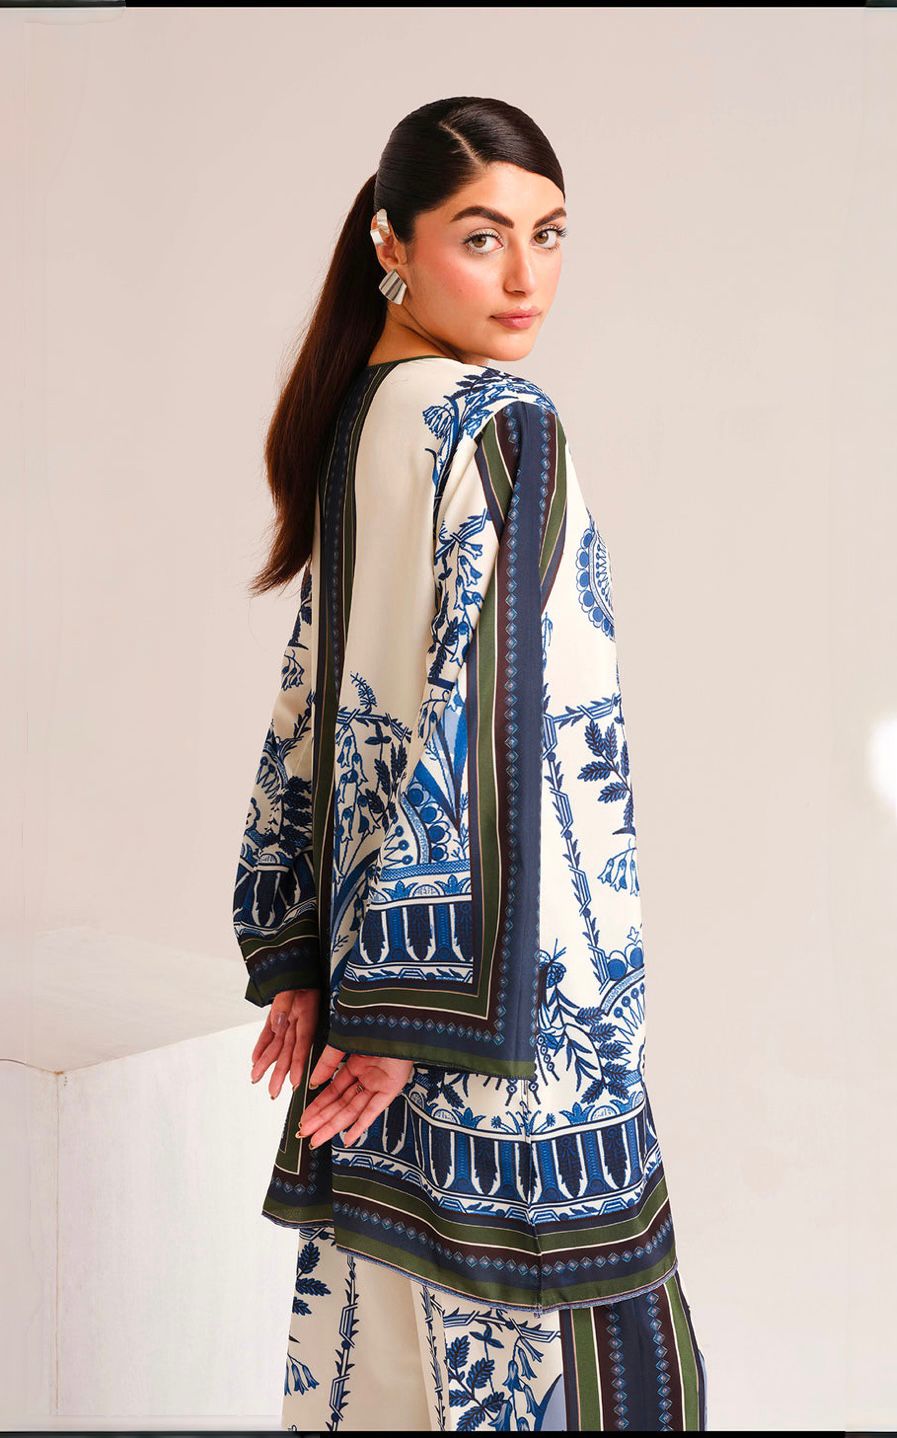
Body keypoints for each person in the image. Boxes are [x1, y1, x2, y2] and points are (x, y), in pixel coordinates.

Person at [232, 96, 708, 1432]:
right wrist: (403, 1019)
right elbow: (500, 721)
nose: (524, 277)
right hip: (513, 1025)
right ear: (391, 243)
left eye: (548, 235)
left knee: (384, 1369)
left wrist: (311, 953)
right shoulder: (503, 422)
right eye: (481, 236)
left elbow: (314, 709)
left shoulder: (364, 421)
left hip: (381, 997)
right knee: (570, 1377)